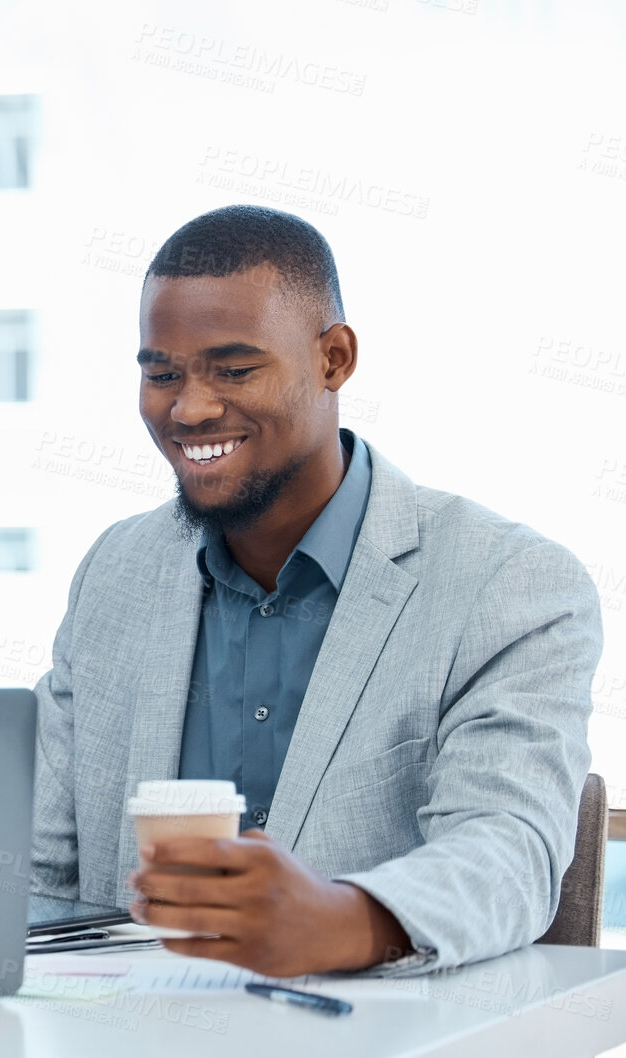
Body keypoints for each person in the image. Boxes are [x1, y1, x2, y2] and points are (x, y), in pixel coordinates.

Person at [31, 205, 601, 977]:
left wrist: (340, 921)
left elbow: (509, 853)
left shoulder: (508, 584)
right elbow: (37, 874)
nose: (189, 407)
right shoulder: (117, 572)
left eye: (234, 370)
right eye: (162, 373)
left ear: (334, 359)